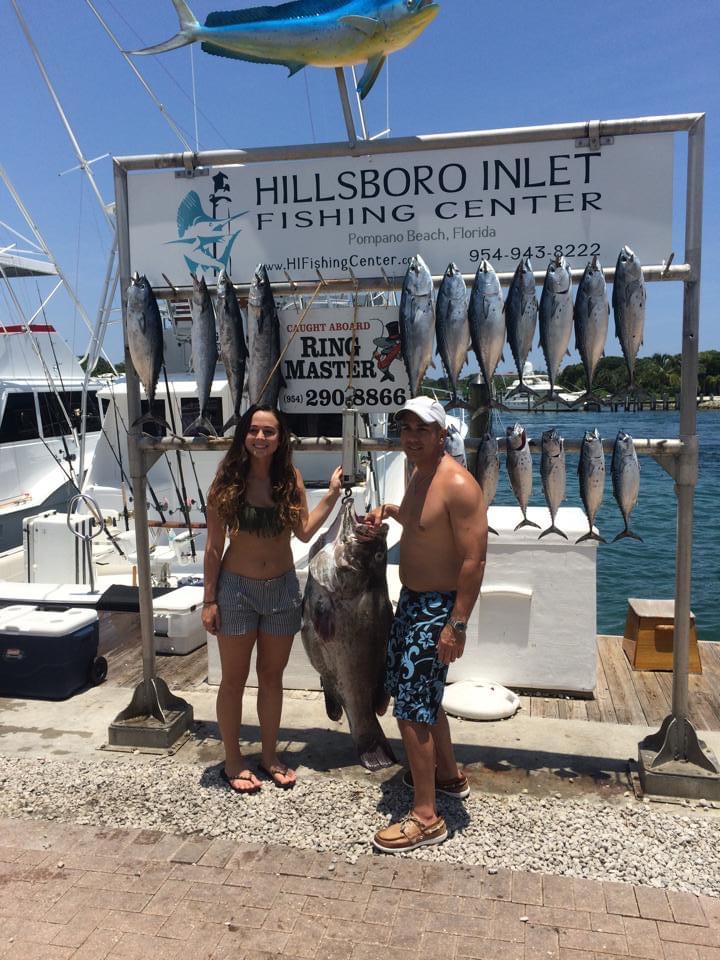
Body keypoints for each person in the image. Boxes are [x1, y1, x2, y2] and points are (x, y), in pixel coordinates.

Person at [363, 396, 488, 852]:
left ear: (441, 434)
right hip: (412, 602)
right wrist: (390, 512)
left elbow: (475, 560)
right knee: (421, 698)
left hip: (438, 608)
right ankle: (449, 776)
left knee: (411, 712)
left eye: (422, 429)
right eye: (406, 428)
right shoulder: (418, 474)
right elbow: (419, 523)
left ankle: (425, 816)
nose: (412, 437)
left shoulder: (459, 485)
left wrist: (456, 624)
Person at [202, 404, 342, 792]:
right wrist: (209, 600)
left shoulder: (289, 478)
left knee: (271, 677)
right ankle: (233, 759)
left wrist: (330, 497)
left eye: (269, 432)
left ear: (281, 439)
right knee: (233, 680)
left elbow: (303, 531)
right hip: (235, 589)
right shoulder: (226, 480)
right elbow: (213, 548)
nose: (260, 438)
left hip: (281, 588)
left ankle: (269, 755)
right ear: (243, 435)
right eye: (254, 431)